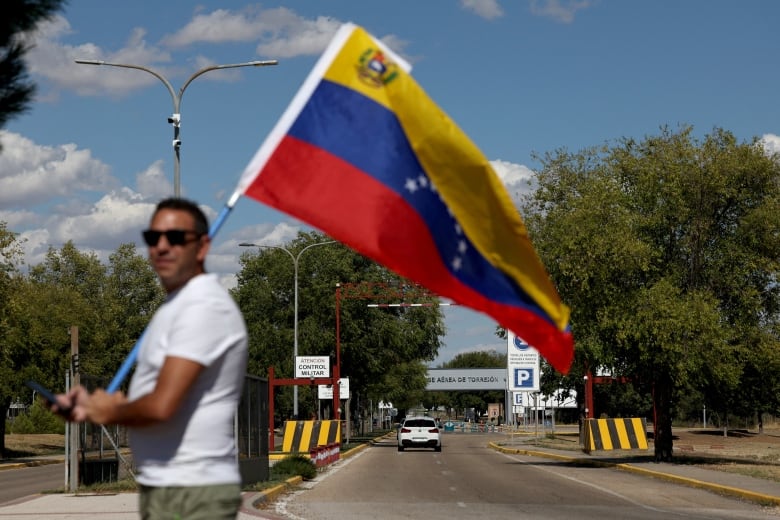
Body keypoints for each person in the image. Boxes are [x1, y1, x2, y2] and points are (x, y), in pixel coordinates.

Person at [53, 198, 249, 520]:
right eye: (152, 237)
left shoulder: (204, 307)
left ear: (202, 246)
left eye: (174, 238)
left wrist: (111, 409)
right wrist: (88, 405)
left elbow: (161, 406)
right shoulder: (176, 307)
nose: (160, 246)